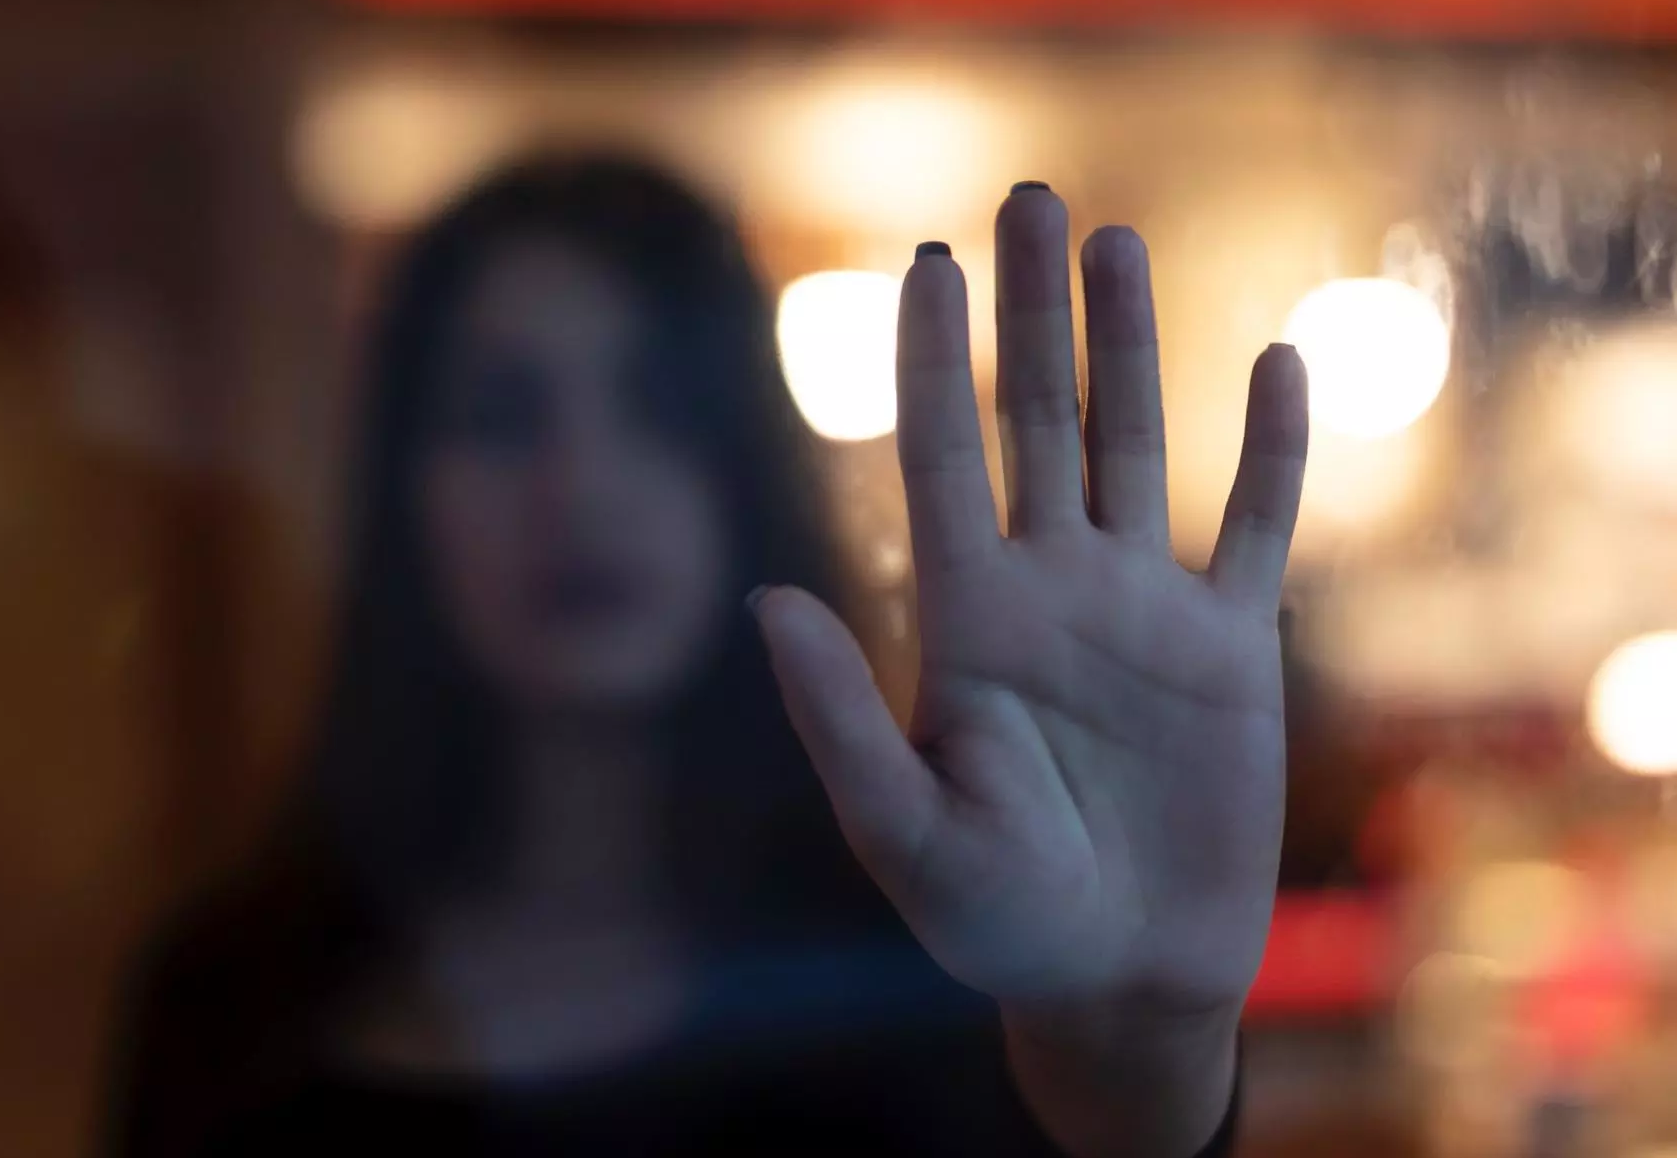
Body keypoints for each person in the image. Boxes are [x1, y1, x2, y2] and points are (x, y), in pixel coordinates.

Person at [102, 155, 1308, 1158]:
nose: (580, 484)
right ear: (401, 495)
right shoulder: (226, 1004)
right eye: (502, 413)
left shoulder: (944, 943)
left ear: (746, 468)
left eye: (659, 404)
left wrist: (1142, 1055)